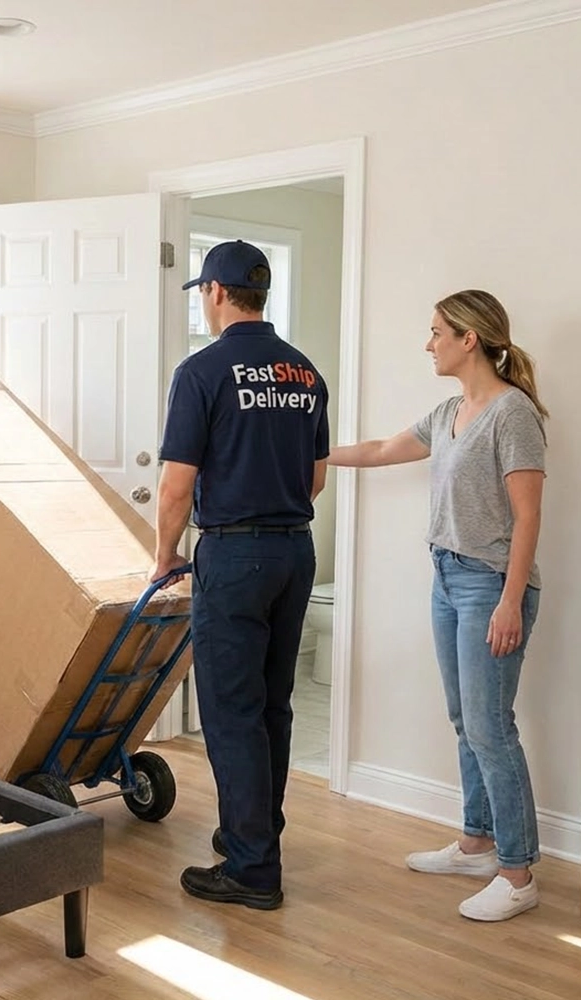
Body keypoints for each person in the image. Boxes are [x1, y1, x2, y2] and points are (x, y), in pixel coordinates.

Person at [330, 289, 547, 921]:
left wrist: (510, 601)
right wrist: (311, 453)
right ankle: (478, 843)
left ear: (468, 339)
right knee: (464, 719)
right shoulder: (450, 410)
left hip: (490, 585)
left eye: (436, 333)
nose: (428, 344)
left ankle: (518, 873)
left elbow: (529, 517)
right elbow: (380, 450)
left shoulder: (513, 414)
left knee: (491, 727)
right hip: (447, 579)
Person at [150, 241, 330, 910]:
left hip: (233, 555)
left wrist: (166, 554)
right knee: (272, 705)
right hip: (294, 552)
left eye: (203, 291)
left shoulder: (202, 372)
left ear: (217, 293)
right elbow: (315, 477)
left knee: (230, 712)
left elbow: (176, 486)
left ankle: (253, 868)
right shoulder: (305, 372)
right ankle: (254, 835)